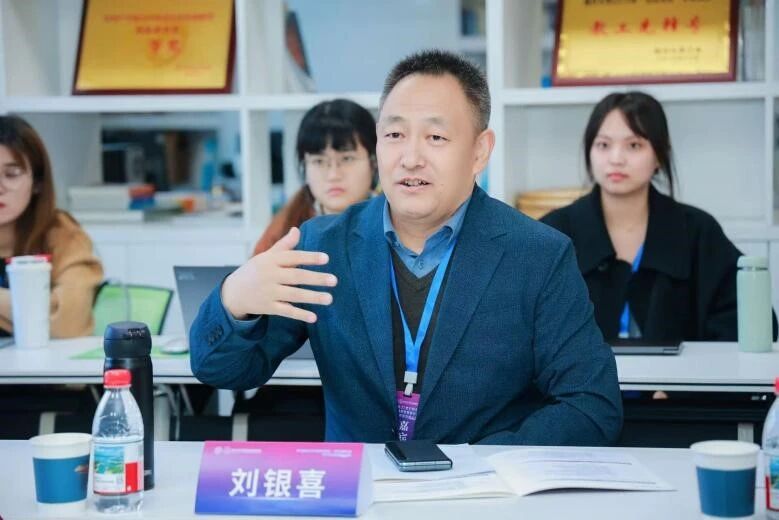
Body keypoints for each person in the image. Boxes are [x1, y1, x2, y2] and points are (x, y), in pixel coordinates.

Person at [191, 50, 622, 445]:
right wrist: (234, 301)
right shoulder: (323, 247)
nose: (410, 157)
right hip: (360, 489)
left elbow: (591, 404)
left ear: (479, 151)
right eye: (395, 134)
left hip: (482, 493)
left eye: (435, 138)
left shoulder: (538, 255)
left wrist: (481, 467)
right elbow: (221, 370)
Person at [541, 91, 777, 342]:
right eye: (603, 145)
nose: (616, 159)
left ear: (659, 156)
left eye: (634, 145)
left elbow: (756, 325)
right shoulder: (553, 233)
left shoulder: (697, 231)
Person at [0, 115, 103, 338]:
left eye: (11, 174)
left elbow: (68, 323)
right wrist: (33, 309)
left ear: (37, 183)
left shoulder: (62, 234)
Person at [253, 99, 377, 255]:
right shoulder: (286, 227)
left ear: (374, 162)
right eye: (319, 161)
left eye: (347, 159)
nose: (333, 175)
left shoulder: (394, 220)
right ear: (304, 165)